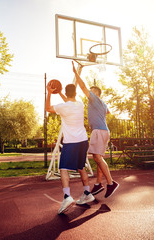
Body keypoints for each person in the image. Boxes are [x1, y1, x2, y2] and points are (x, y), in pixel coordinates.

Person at [45, 82, 95, 215]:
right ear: (76, 94)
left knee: (63, 168)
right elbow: (69, 101)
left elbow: (47, 108)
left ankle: (67, 197)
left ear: (66, 94)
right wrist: (61, 92)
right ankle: (87, 193)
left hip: (71, 142)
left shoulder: (63, 107)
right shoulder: (80, 105)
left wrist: (50, 92)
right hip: (83, 140)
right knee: (81, 167)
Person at [72, 61, 119, 198]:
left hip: (99, 131)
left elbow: (82, 86)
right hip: (104, 130)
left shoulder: (94, 99)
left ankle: (111, 183)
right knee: (98, 157)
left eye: (91, 91)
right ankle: (98, 183)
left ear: (96, 93)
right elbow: (108, 112)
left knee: (97, 157)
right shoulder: (102, 104)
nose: (88, 93)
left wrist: (76, 73)